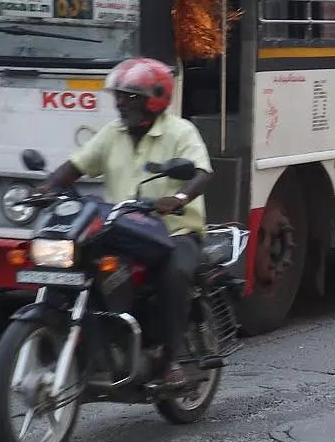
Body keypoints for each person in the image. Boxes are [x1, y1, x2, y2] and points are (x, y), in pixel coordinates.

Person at [40, 58, 214, 387]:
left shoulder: (180, 131)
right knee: (79, 260)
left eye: (129, 96)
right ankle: (92, 337)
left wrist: (177, 200)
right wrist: (45, 189)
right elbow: (75, 167)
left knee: (174, 273)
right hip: (122, 229)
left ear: (155, 99)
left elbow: (202, 173)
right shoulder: (112, 133)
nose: (120, 103)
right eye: (118, 96)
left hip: (175, 231)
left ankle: (169, 356)